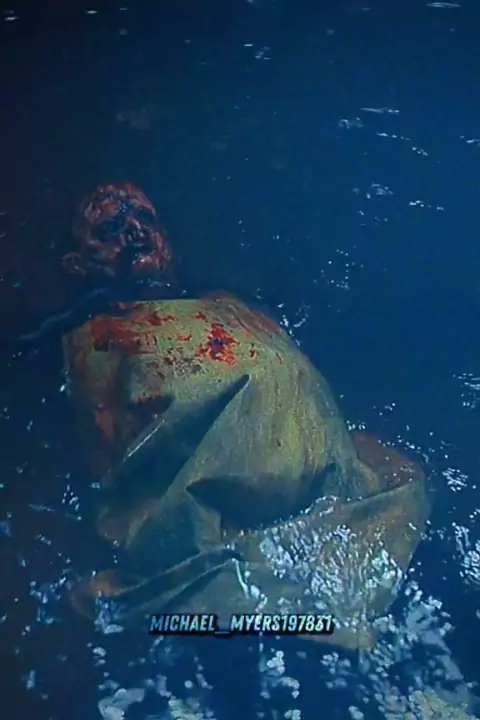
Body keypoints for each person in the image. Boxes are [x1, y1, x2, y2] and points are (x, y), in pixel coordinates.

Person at [62, 182, 431, 651]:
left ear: (167, 241)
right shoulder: (98, 339)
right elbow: (118, 464)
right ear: (77, 265)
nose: (134, 232)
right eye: (111, 229)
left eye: (144, 219)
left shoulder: (233, 305)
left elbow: (297, 382)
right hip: (239, 513)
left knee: (400, 473)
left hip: (327, 488)